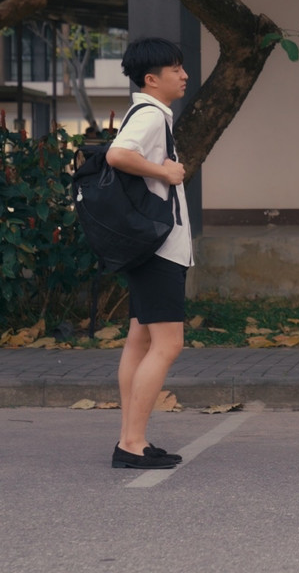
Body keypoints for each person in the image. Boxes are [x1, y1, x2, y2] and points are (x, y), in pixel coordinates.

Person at [106, 37, 193, 470]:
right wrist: (165, 171)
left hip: (149, 248)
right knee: (168, 343)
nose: (184, 75)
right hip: (160, 250)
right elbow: (117, 154)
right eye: (175, 69)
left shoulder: (151, 113)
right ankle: (132, 443)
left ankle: (131, 439)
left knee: (140, 339)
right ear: (151, 79)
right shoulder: (152, 116)